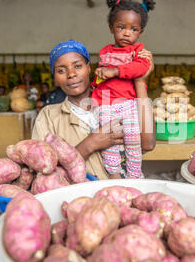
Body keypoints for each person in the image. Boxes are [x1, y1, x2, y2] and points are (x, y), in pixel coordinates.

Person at [31, 39, 155, 180]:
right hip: (80, 198)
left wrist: (139, 80)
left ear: (89, 68)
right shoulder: (48, 116)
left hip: (125, 194)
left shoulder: (117, 102)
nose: (71, 74)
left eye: (77, 66)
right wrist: (90, 144)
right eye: (61, 70)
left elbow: (148, 143)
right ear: (55, 78)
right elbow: (44, 170)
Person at [90, 0, 156, 179]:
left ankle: (134, 173)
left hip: (128, 104)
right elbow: (103, 75)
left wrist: (115, 71)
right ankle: (114, 173)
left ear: (140, 31)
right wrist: (98, 80)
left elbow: (141, 68)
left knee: (133, 138)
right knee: (109, 140)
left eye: (133, 29)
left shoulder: (138, 51)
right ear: (111, 28)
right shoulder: (105, 51)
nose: (127, 33)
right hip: (105, 103)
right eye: (121, 27)